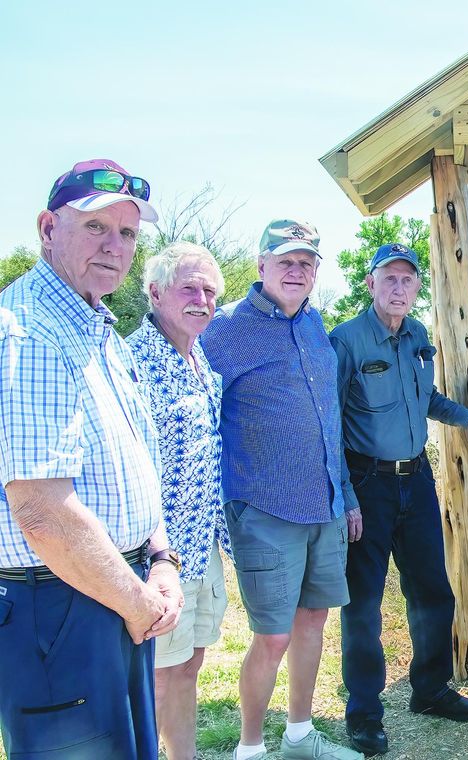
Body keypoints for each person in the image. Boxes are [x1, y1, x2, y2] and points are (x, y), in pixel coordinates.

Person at [0, 159, 182, 759]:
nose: (115, 246)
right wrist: (137, 601)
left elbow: (137, 462)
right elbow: (42, 513)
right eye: (96, 227)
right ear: (48, 228)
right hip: (59, 608)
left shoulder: (95, 325)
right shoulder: (28, 331)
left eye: (127, 233)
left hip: (115, 593)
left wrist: (161, 558)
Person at [332, 243, 468, 756]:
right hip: (366, 483)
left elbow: (427, 398)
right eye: (388, 278)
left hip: (416, 479)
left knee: (434, 591)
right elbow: (329, 422)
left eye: (407, 279)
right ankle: (364, 713)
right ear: (370, 283)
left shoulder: (416, 335)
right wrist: (344, 494)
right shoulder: (345, 340)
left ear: (417, 286)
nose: (398, 288)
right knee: (363, 604)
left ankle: (430, 690)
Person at [200, 220, 361, 760]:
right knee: (272, 637)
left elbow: (329, 420)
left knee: (313, 621)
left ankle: (299, 735)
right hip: (265, 509)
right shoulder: (224, 329)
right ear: (261, 265)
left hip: (325, 506)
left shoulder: (315, 322)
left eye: (306, 262)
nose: (296, 271)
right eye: (285, 261)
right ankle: (250, 748)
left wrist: (347, 496)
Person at [126, 242, 230, 760]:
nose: (201, 300)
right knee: (158, 677)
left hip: (203, 541)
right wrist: (156, 557)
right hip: (159, 553)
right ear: (155, 292)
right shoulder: (133, 362)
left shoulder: (199, 356)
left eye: (209, 291)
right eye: (189, 288)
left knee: (189, 664)